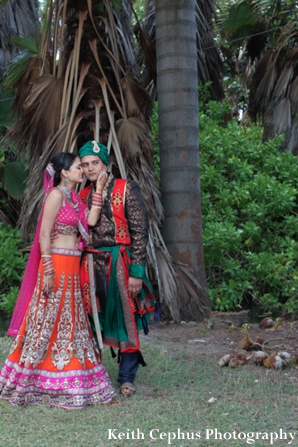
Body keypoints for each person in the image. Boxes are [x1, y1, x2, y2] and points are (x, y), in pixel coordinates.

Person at [0, 153, 116, 409]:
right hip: (56, 265)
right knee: (45, 320)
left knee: (69, 322)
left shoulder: (74, 198)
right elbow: (43, 234)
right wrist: (49, 272)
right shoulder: (55, 196)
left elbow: (91, 221)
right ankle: (33, 378)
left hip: (72, 268)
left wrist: (98, 188)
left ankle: (69, 374)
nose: (82, 170)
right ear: (64, 172)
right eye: (77, 167)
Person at [79, 141, 156, 397]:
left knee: (127, 318)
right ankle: (97, 375)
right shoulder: (82, 195)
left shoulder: (125, 188)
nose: (90, 168)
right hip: (90, 263)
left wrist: (137, 271)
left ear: (106, 163)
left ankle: (126, 378)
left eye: (95, 163)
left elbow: (139, 232)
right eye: (86, 164)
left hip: (120, 262)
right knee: (93, 319)